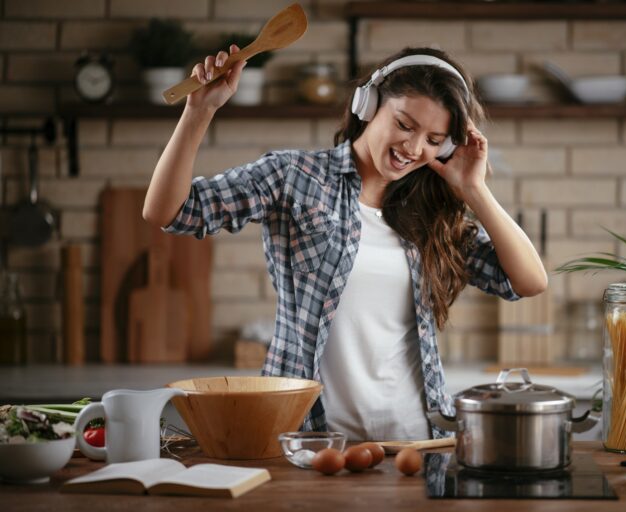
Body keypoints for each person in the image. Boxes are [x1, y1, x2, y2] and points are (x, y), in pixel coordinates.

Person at [143, 45, 548, 441]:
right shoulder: (294, 177)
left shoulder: (432, 214)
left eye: (433, 139)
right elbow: (171, 211)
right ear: (368, 106)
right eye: (405, 125)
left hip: (414, 442)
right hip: (306, 438)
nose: (413, 148)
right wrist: (199, 113)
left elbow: (528, 282)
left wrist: (474, 189)